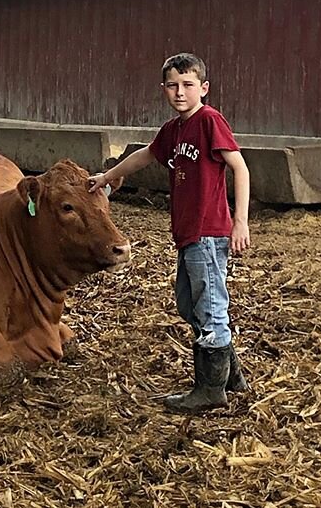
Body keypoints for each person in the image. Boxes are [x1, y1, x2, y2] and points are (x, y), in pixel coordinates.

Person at [89, 53, 250, 414]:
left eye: (188, 85)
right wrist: (107, 176)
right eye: (173, 86)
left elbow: (239, 167)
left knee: (209, 309)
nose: (180, 92)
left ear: (203, 88)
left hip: (208, 232)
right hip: (187, 233)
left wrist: (240, 221)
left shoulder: (209, 121)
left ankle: (210, 391)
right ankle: (230, 377)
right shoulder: (173, 130)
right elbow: (146, 154)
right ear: (164, 89)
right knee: (190, 305)